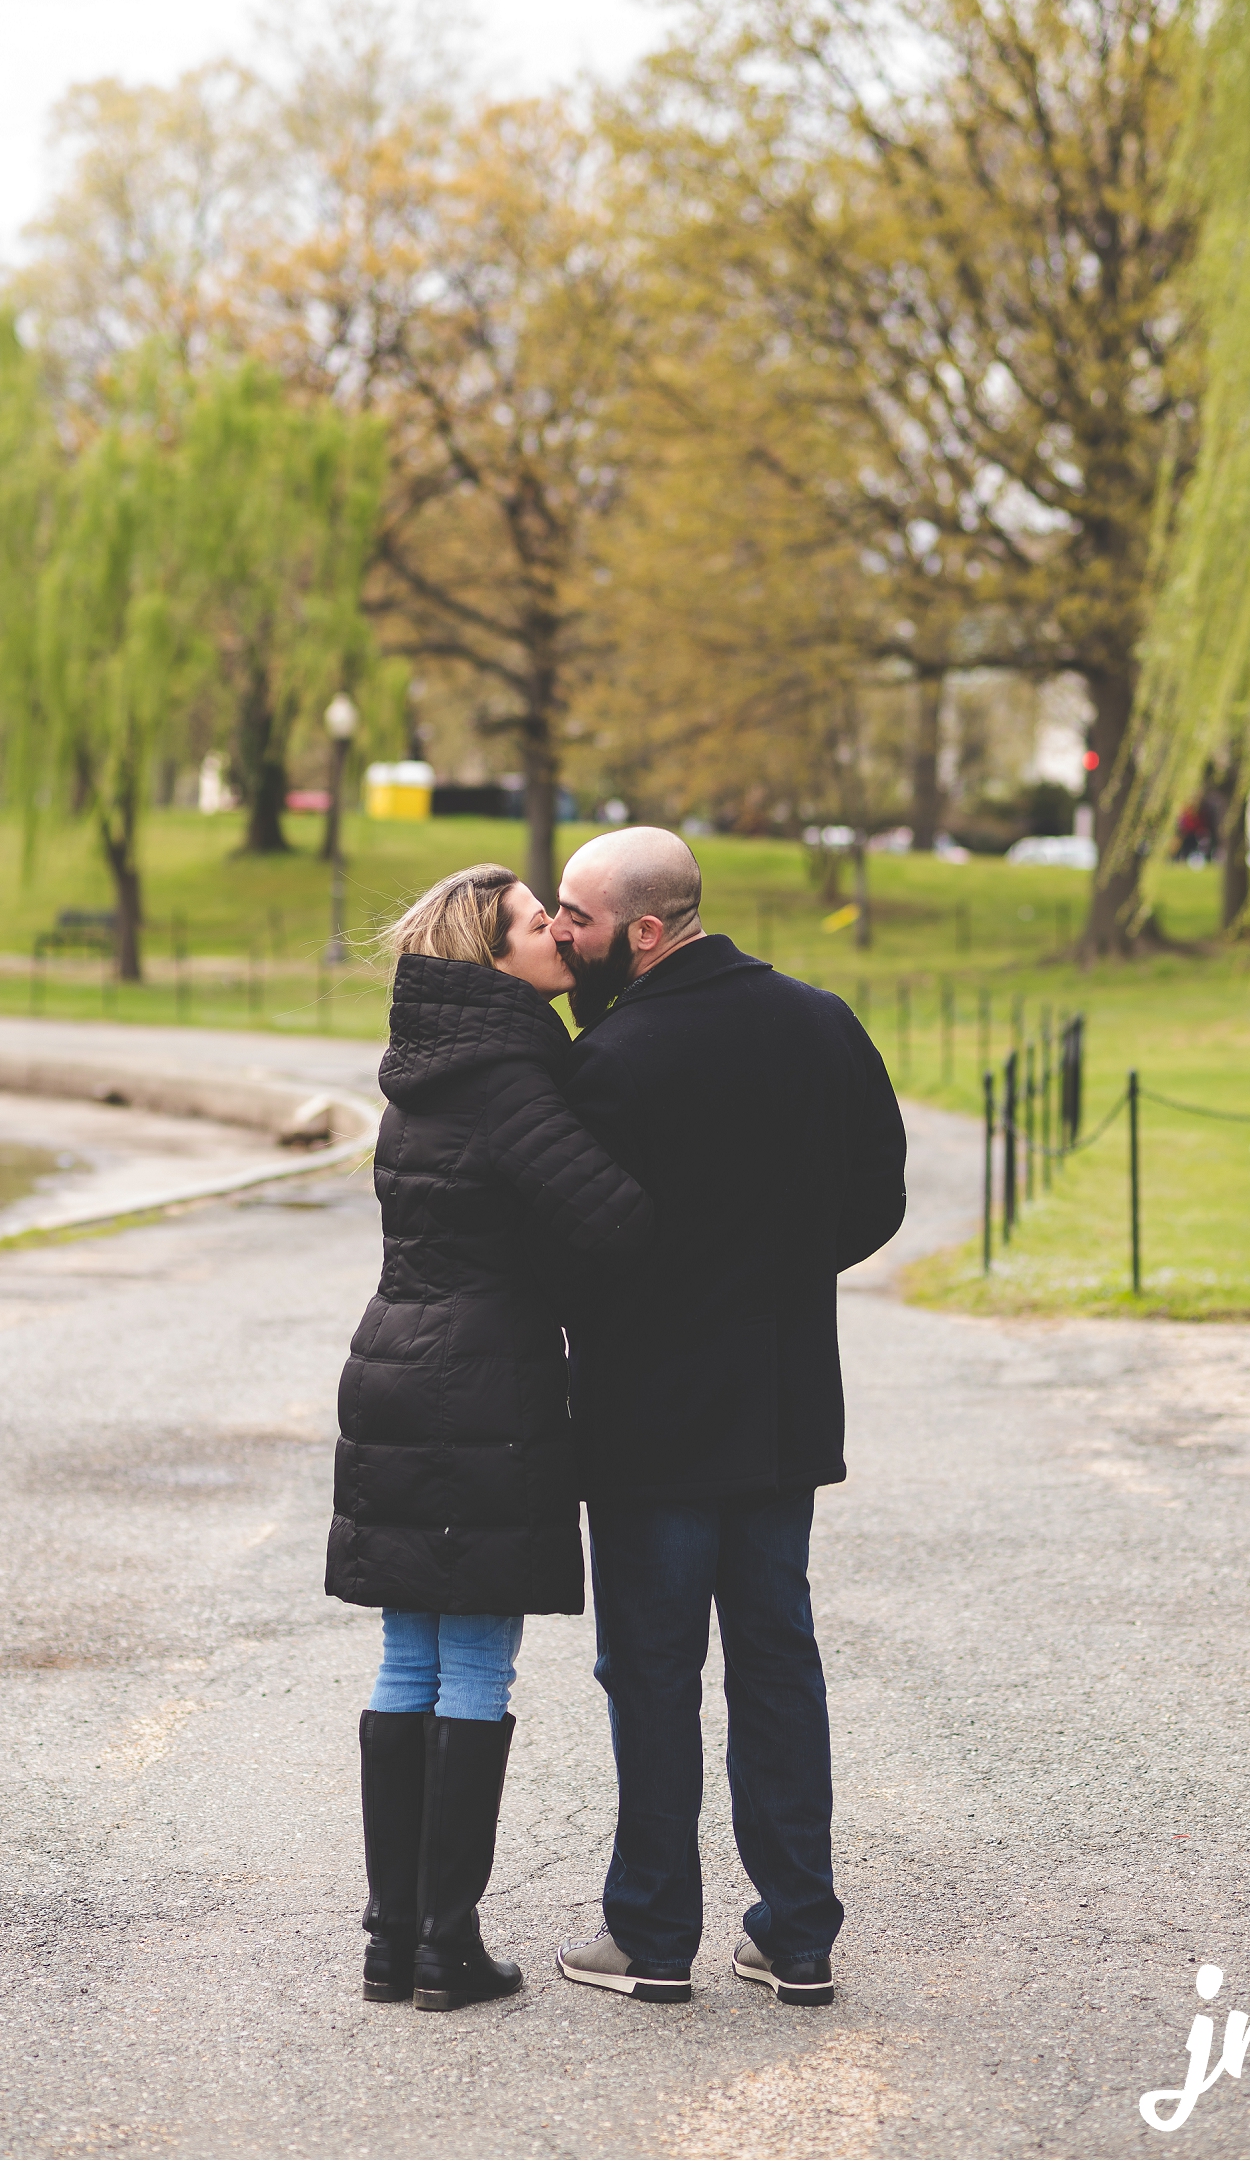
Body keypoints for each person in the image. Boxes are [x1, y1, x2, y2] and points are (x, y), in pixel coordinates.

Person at [550, 827, 906, 2008]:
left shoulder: (610, 1059)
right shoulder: (823, 1023)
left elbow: (573, 1246)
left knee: (650, 1674)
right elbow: (879, 1197)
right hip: (781, 1401)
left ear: (645, 931)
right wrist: (781, 1271)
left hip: (648, 1423)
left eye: (578, 919)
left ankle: (652, 1935)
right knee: (776, 1664)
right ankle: (797, 1934)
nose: (560, 935)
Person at [325, 864, 654, 2012]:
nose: (557, 934)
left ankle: (394, 1939)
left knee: (407, 1655)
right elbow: (614, 1225)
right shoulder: (512, 1078)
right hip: (482, 1389)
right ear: (492, 957)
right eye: (532, 923)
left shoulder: (418, 1075)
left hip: (393, 1373)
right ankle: (445, 1946)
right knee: (473, 1661)